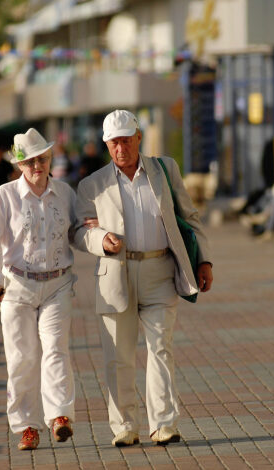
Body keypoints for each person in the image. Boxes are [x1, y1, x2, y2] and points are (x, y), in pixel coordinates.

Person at [73, 110, 214, 447]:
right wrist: (100, 239)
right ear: (106, 144)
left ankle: (164, 423)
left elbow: (189, 216)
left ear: (139, 137)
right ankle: (124, 426)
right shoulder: (91, 185)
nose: (121, 147)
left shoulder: (165, 170)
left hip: (160, 271)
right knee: (118, 355)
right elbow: (79, 231)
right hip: (114, 274)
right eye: (114, 142)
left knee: (160, 348)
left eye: (126, 140)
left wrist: (204, 260)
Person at [0, 128, 78, 451]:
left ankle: (59, 416)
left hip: (57, 283)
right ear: (19, 165)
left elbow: (79, 229)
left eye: (43, 159)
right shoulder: (4, 196)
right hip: (18, 284)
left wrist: (98, 231)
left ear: (50, 159)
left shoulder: (65, 193)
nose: (38, 166)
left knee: (55, 348)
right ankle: (27, 426)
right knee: (22, 358)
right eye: (31, 161)